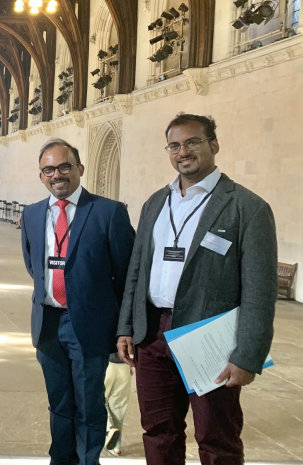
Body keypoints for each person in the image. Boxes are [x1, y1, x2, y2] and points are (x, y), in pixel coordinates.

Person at [117, 113, 278, 464]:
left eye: (192, 142)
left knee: (217, 437)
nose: (183, 151)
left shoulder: (246, 208)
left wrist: (247, 354)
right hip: (153, 333)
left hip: (209, 337)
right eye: (174, 145)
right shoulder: (155, 203)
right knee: (158, 431)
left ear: (213, 145)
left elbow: (260, 292)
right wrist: (127, 327)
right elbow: (136, 271)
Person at [20, 138, 135, 465]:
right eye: (49, 169)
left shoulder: (109, 212)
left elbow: (126, 275)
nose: (58, 174)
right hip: (48, 325)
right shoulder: (31, 215)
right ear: (41, 176)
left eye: (65, 166)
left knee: (89, 404)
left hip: (88, 324)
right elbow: (34, 266)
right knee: (59, 403)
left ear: (80, 169)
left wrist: (123, 327)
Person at [104, 355, 132, 456]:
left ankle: (109, 429)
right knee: (118, 407)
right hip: (124, 365)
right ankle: (116, 448)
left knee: (99, 401)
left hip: (106, 364)